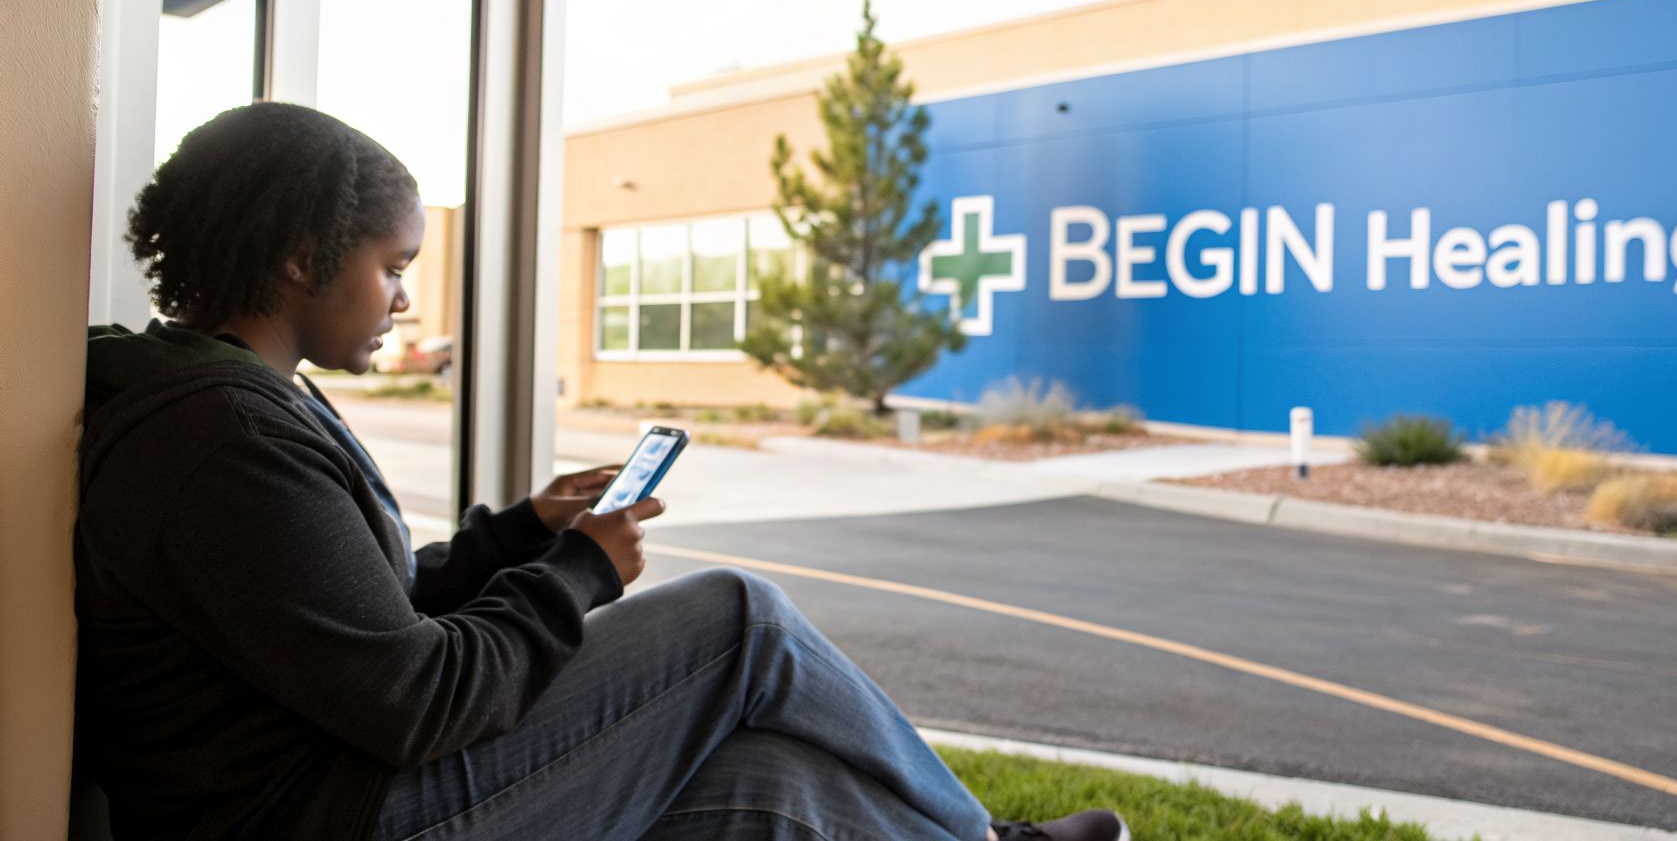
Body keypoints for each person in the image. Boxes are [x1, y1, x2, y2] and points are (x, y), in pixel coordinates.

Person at [76, 102, 1130, 841]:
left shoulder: (236, 403)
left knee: (769, 788)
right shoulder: (222, 438)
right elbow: (415, 697)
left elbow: (354, 622)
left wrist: (520, 534)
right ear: (302, 259)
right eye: (393, 267)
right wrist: (577, 570)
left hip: (342, 787)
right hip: (335, 816)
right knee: (736, 618)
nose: (403, 298)